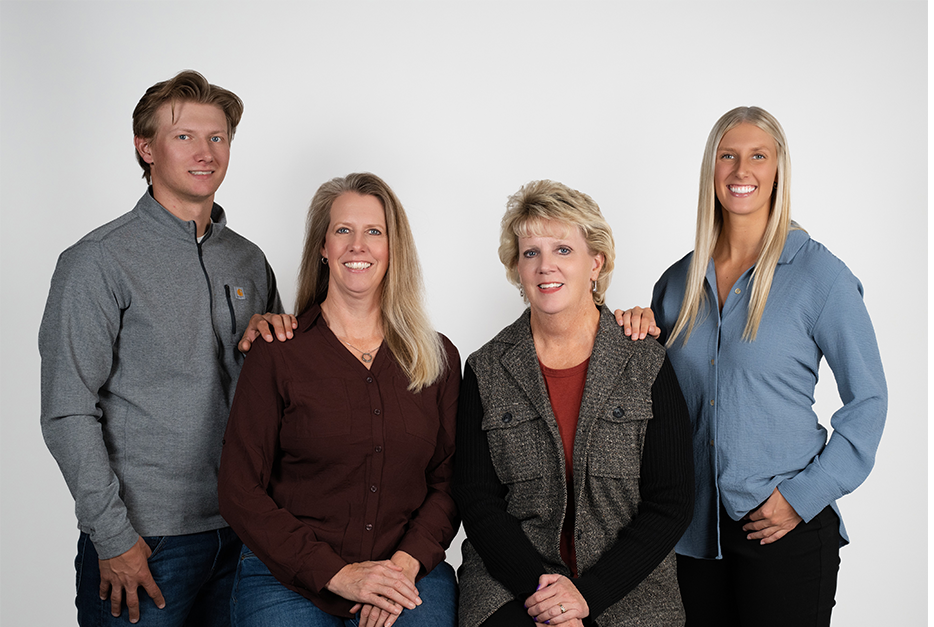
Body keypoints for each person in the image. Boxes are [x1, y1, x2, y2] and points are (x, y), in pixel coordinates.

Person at [39, 70, 292, 626]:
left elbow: (270, 391)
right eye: (184, 137)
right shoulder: (97, 261)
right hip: (147, 542)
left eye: (218, 138)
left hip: (244, 532)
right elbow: (67, 409)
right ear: (145, 148)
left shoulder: (248, 259)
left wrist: (267, 349)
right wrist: (113, 537)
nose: (205, 153)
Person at [650, 106, 887, 626]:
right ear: (711, 170)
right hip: (694, 539)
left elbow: (869, 401)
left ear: (778, 170)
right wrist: (627, 326)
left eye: (758, 156)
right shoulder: (676, 284)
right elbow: (655, 405)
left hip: (787, 533)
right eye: (727, 156)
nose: (742, 171)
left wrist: (801, 498)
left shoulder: (820, 276)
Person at [218, 173, 462, 627]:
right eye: (343, 230)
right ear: (323, 248)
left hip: (404, 573)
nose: (358, 245)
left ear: (393, 249)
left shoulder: (438, 358)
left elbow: (447, 483)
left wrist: (400, 568)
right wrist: (337, 574)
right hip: (287, 578)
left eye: (374, 232)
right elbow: (239, 489)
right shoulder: (277, 353)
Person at [453, 180, 695, 627]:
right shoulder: (485, 368)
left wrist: (588, 596)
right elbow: (477, 501)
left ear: (595, 262)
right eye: (531, 253)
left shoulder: (645, 362)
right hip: (513, 585)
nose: (546, 266)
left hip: (629, 587)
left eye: (563, 250)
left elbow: (672, 501)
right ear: (517, 268)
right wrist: (548, 596)